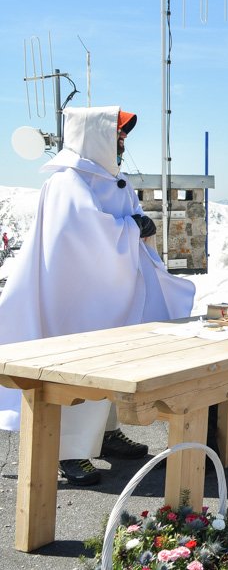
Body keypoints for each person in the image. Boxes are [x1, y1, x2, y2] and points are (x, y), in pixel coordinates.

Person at [0, 107, 195, 486]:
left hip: (110, 292)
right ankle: (67, 451)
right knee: (78, 369)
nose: (122, 142)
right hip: (76, 298)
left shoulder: (112, 180)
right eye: (116, 135)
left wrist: (136, 227)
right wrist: (131, 227)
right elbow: (83, 234)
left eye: (123, 137)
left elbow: (125, 225)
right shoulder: (68, 181)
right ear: (94, 136)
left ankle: (106, 434)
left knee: (113, 363)